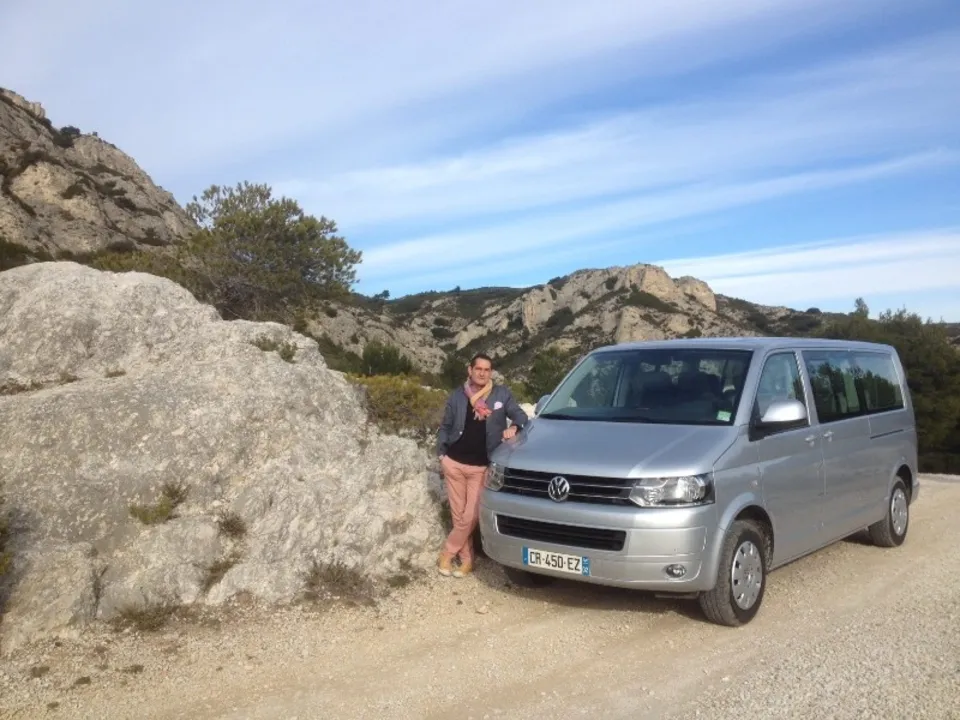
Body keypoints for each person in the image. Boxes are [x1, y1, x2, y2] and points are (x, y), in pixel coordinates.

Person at [435, 352, 529, 578]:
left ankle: (447, 552)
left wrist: (514, 427)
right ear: (470, 370)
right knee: (459, 516)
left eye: (487, 370)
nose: (483, 373)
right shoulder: (458, 395)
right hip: (454, 463)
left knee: (471, 516)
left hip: (481, 467)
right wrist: (441, 454)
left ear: (491, 373)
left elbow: (522, 416)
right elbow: (445, 426)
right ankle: (467, 560)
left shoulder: (501, 395)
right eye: (479, 369)